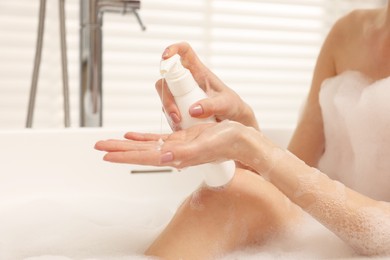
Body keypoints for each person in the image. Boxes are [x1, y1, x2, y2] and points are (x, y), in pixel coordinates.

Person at [95, 3, 390, 259]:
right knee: (230, 194)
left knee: (234, 195)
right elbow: (296, 178)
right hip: (324, 233)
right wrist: (242, 122)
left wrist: (248, 143)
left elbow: (383, 234)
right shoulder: (347, 33)